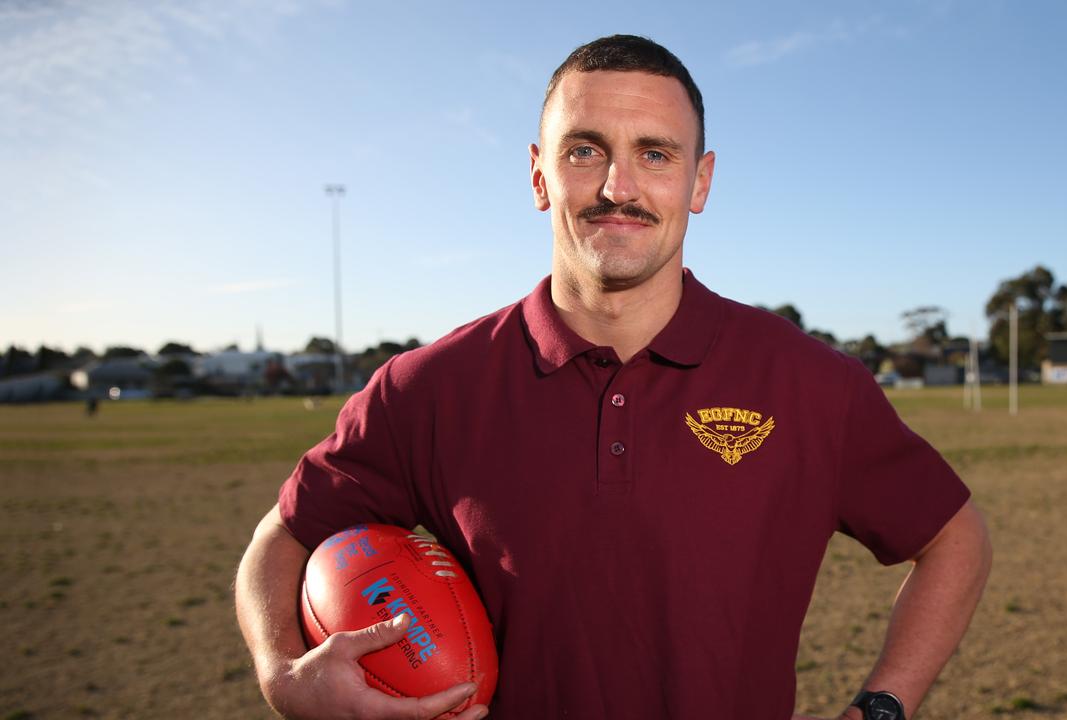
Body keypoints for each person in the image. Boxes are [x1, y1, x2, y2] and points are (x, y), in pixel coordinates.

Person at [236, 35, 992, 720]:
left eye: (656, 154)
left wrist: (883, 707)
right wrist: (283, 677)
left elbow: (955, 539)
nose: (619, 187)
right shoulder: (429, 387)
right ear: (539, 174)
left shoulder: (809, 383)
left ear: (700, 181)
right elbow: (285, 536)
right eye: (585, 151)